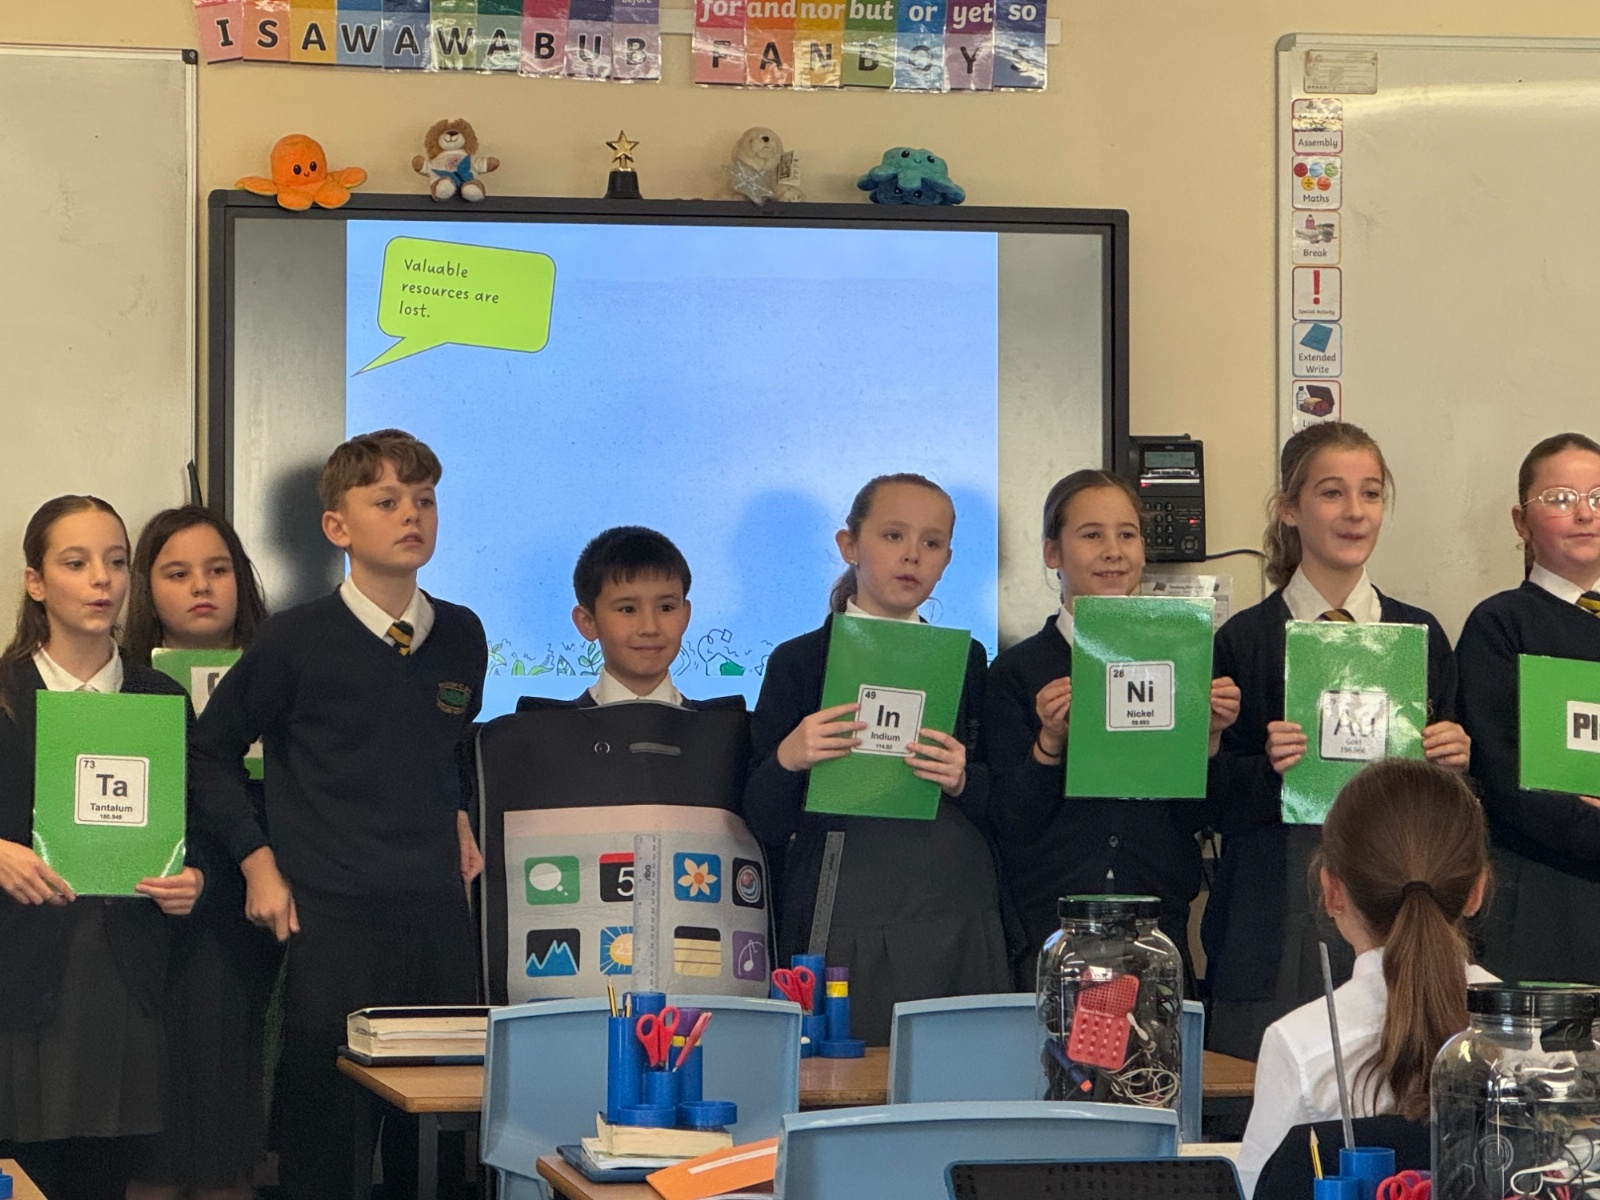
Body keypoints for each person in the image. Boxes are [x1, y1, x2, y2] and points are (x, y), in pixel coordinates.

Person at [191, 430, 487, 1199]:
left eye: (424, 499)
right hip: (333, 926)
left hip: (438, 923)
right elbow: (206, 753)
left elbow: (449, 746)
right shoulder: (294, 640)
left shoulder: (462, 634)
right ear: (337, 526)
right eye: (386, 501)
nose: (411, 515)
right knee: (328, 1146)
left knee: (444, 1148)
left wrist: (458, 813)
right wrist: (258, 861)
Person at [1204, 422, 1471, 1060]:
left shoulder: (1420, 635)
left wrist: (1454, 764)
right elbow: (1208, 803)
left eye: (1370, 493)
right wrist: (1269, 769)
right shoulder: (1244, 640)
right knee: (1265, 1090)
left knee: (1396, 1094)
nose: (1355, 511)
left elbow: (1459, 808)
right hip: (1273, 915)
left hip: (1398, 918)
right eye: (1332, 493)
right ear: (1289, 509)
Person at [742, 473, 1010, 1044]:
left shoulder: (966, 659)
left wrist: (963, 779)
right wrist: (790, 758)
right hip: (842, 903)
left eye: (932, 543)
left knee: (959, 1070)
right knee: (842, 1075)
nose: (912, 555)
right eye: (893, 535)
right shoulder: (799, 661)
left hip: (956, 905)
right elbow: (762, 819)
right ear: (849, 545)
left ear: (947, 560)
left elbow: (1004, 803)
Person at [0, 496, 203, 1200]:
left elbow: (200, 829)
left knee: (102, 1175)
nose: (101, 580)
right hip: (18, 971)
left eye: (116, 562)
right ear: (35, 581)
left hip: (126, 974)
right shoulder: (4, 693)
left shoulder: (159, 698)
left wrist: (195, 880)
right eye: (76, 562)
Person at [985, 470, 1240, 987]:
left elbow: (1203, 816)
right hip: (1050, 928)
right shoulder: (1017, 672)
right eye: (1091, 534)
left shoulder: (1182, 661)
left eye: (1127, 534)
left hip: (1156, 922)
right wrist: (1048, 746)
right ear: (1052, 552)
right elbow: (1009, 821)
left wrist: (1210, 741)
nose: (1113, 551)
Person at [1235, 759, 1494, 1197]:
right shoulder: (1540, 1040)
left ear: (1331, 890)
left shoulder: (1298, 1044)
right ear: (1477, 891)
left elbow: (1252, 1189)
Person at [123, 506, 279, 1200]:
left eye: (218, 570)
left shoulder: (284, 675)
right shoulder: (121, 685)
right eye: (177, 573)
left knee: (229, 1128)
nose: (201, 587)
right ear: (146, 586)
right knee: (153, 1134)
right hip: (147, 920)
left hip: (261, 912)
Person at [1457, 432, 1600, 982]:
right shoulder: (1499, 624)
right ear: (1521, 522)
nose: (1584, 513)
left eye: (1597, 498)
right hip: (1538, 895)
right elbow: (1501, 774)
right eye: (1560, 498)